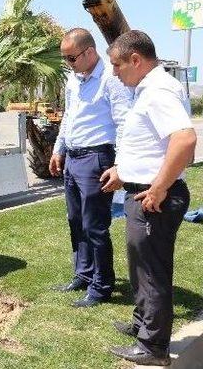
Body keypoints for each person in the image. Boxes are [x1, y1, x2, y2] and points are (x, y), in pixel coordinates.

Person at [101, 30, 196, 366]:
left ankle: (153, 348)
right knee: (141, 268)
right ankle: (143, 325)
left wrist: (158, 187)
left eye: (117, 65)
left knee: (152, 272)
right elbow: (152, 145)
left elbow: (184, 141)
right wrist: (123, 171)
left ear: (136, 60)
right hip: (143, 191)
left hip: (154, 198)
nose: (114, 72)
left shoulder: (157, 91)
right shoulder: (149, 89)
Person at [49, 28, 132, 308]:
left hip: (97, 158)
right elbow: (68, 117)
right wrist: (59, 148)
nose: (68, 64)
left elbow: (123, 123)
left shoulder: (111, 79)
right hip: (72, 158)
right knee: (76, 221)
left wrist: (120, 164)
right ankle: (83, 275)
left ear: (89, 52)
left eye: (71, 58)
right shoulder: (74, 79)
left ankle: (102, 285)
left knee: (95, 225)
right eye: (66, 59)